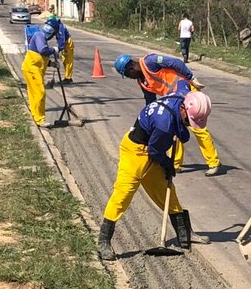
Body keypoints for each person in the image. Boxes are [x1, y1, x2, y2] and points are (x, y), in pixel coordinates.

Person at [96, 88, 210, 260]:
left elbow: (166, 141)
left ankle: (185, 234)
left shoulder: (179, 99)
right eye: (189, 120)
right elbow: (155, 151)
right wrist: (167, 164)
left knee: (167, 193)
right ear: (184, 108)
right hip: (135, 153)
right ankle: (103, 241)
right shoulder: (164, 125)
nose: (189, 124)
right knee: (122, 195)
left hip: (151, 148)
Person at [114, 53, 224, 176]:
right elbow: (150, 100)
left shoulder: (150, 62)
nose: (130, 78)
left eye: (128, 75)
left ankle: (214, 163)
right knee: (173, 128)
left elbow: (176, 63)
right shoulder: (142, 82)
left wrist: (191, 77)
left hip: (186, 90)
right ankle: (175, 163)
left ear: (131, 68)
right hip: (173, 101)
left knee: (198, 128)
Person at [22, 23, 61, 127]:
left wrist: (51, 64)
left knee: (34, 94)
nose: (53, 37)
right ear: (52, 32)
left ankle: (35, 114)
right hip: (32, 70)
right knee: (40, 93)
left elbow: (40, 57)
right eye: (54, 34)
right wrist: (53, 50)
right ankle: (40, 120)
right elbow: (43, 50)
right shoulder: (39, 35)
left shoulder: (41, 36)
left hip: (33, 69)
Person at [42, 15, 74, 84]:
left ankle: (68, 78)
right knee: (64, 60)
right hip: (64, 43)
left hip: (67, 43)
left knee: (68, 61)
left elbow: (61, 40)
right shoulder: (58, 26)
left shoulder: (60, 28)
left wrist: (58, 50)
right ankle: (67, 76)